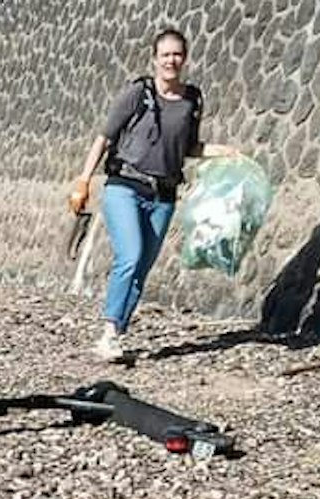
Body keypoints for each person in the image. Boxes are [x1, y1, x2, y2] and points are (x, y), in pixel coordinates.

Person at [70, 28, 240, 362]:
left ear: (184, 58)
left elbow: (188, 146)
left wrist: (222, 151)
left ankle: (117, 333)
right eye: (165, 55)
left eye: (177, 54)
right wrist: (83, 180)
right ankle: (107, 333)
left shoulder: (192, 99)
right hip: (124, 186)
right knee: (130, 256)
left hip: (163, 194)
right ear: (155, 58)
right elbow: (105, 137)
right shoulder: (139, 93)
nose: (171, 60)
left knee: (142, 267)